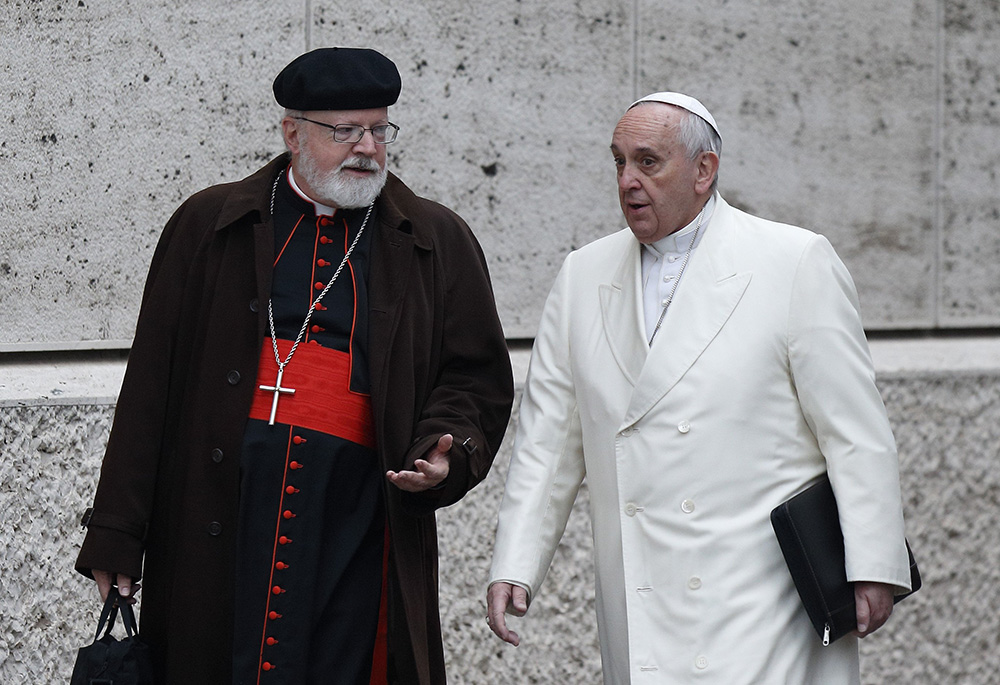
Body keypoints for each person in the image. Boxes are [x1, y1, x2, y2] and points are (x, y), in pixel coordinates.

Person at [76, 47, 514, 685]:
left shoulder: (434, 240)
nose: (367, 146)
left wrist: (445, 453)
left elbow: (474, 377)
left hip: (357, 520)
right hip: (219, 512)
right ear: (292, 133)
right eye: (345, 131)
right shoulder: (210, 225)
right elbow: (151, 383)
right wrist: (118, 530)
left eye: (378, 129)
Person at [486, 92, 912, 683]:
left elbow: (855, 431)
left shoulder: (794, 260)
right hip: (642, 592)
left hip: (764, 597)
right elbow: (550, 438)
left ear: (704, 170)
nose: (628, 181)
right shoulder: (582, 273)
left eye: (648, 162)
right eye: (618, 162)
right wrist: (516, 563)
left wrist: (872, 562)